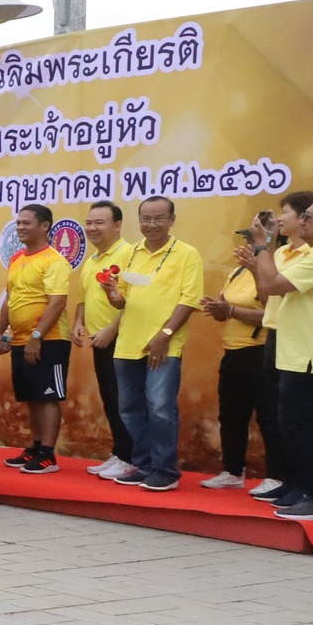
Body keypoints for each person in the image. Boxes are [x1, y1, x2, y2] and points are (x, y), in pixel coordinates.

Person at [97, 197, 202, 492]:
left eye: (158, 219)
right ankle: (143, 465)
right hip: (128, 343)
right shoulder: (132, 253)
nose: (151, 225)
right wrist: (112, 293)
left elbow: (189, 300)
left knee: (160, 408)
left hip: (163, 345)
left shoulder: (186, 254)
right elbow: (123, 300)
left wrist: (164, 335)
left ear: (172, 220)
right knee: (130, 408)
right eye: (146, 219)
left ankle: (166, 470)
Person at [240, 191, 313, 519]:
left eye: (308, 217)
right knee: (291, 424)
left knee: (298, 426)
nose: (301, 221)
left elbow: (271, 286)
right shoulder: (304, 253)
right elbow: (268, 289)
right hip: (293, 348)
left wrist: (262, 244)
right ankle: (301, 486)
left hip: (308, 354)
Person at [0, 205, 73, 475]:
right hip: (19, 340)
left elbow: (57, 303)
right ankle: (36, 446)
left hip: (49, 340)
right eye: (18, 223)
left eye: (27, 223)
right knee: (31, 397)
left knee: (48, 397)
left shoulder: (54, 261)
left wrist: (37, 337)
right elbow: (10, 297)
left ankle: (49, 455)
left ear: (45, 226)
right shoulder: (17, 258)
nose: (20, 228)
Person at [202, 217, 279, 491]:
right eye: (247, 239)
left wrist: (232, 311)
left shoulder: (274, 272)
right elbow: (227, 309)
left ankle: (276, 476)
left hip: (260, 352)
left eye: (254, 240)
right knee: (231, 416)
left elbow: (271, 314)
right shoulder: (236, 272)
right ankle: (233, 471)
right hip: (233, 352)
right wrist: (218, 308)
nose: (248, 245)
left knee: (268, 418)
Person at [74, 200, 135, 479]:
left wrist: (112, 329)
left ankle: (132, 457)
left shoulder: (129, 254)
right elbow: (85, 297)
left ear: (118, 225)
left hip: (123, 341)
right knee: (111, 398)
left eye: (99, 222)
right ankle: (120, 452)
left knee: (125, 400)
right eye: (89, 222)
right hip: (99, 340)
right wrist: (78, 322)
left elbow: (134, 301)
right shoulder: (92, 260)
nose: (92, 228)